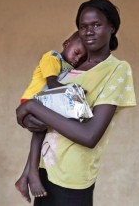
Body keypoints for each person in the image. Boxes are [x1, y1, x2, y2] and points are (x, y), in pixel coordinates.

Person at [15, 0, 136, 206]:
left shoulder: (117, 69)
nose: (89, 31)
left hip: (73, 178)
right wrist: (28, 119)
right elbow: (44, 119)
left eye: (97, 24)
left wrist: (32, 107)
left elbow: (89, 136)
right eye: (83, 26)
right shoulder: (68, 68)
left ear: (112, 28)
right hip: (44, 171)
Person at [15, 32, 87, 202]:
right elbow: (52, 83)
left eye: (82, 58)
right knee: (39, 133)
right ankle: (32, 173)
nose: (78, 59)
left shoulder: (69, 68)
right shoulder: (52, 57)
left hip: (45, 103)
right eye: (77, 53)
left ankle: (24, 177)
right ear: (66, 43)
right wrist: (74, 92)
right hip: (33, 100)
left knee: (42, 134)